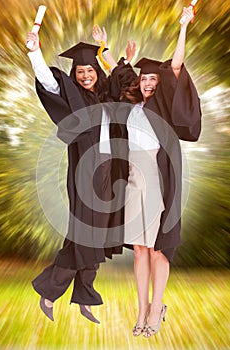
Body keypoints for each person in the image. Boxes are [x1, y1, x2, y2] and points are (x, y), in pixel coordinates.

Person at [93, 6, 201, 337]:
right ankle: (141, 310)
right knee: (139, 248)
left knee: (157, 247)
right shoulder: (133, 105)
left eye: (155, 78)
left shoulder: (163, 107)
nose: (149, 82)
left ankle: (157, 309)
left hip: (156, 177)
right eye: (146, 78)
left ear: (161, 83)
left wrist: (183, 26)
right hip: (133, 182)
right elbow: (117, 73)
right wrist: (105, 48)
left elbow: (177, 65)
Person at [25, 31, 129, 324]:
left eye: (90, 71)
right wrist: (34, 53)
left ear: (97, 72)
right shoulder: (74, 97)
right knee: (86, 234)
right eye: (81, 71)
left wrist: (107, 49)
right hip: (87, 172)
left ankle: (84, 297)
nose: (86, 76)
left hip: (113, 171)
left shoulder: (107, 96)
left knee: (98, 234)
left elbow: (125, 82)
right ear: (75, 74)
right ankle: (49, 291)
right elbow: (48, 83)